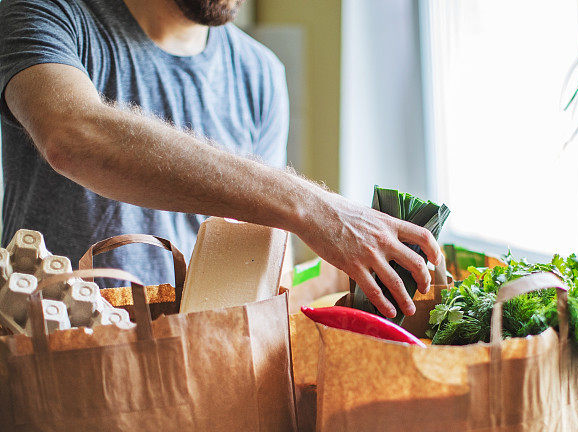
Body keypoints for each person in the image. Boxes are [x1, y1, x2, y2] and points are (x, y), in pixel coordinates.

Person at [0, 0, 438, 319]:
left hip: (194, 367)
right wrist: (317, 209)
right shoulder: (43, 13)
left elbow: (263, 264)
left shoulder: (259, 72)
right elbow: (72, 134)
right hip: (48, 354)